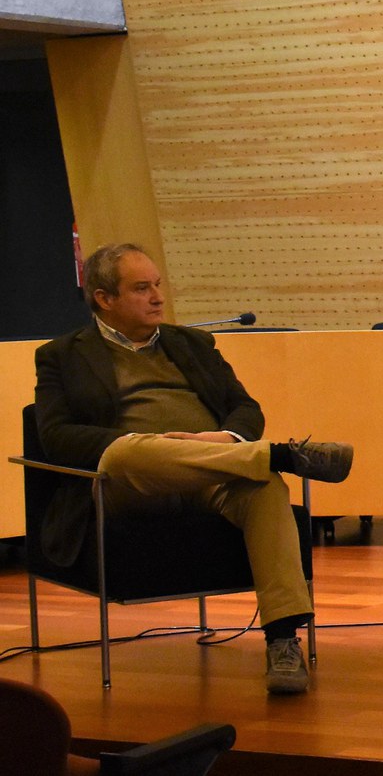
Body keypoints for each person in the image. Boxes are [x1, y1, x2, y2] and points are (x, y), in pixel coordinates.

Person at [33, 243, 356, 695]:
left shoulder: (192, 344)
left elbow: (245, 407)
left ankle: (283, 640)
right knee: (127, 453)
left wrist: (225, 439)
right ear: (104, 298)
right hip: (128, 484)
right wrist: (155, 447)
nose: (157, 297)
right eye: (141, 288)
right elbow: (56, 436)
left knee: (264, 485)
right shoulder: (62, 355)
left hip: (211, 475)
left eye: (157, 285)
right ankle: (282, 455)